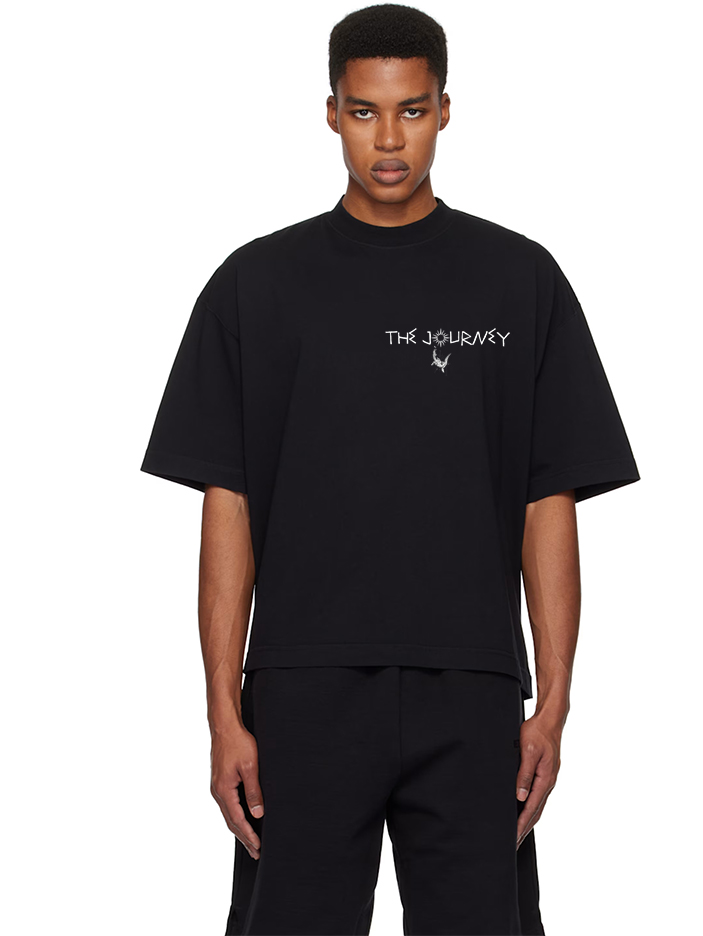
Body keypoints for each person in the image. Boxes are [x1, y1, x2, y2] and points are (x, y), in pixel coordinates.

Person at [139, 4, 640, 934]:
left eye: (411, 110)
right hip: (302, 687)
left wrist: (555, 702)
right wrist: (223, 712)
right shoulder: (257, 284)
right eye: (365, 112)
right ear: (331, 112)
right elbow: (226, 505)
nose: (389, 140)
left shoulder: (519, 280)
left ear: (445, 109)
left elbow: (550, 499)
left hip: (473, 684)